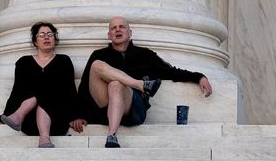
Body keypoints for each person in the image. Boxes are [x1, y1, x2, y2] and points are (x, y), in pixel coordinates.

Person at [73, 16, 213, 147]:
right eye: (113, 28)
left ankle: (112, 135)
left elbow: (172, 72)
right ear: (109, 35)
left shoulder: (145, 55)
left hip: (133, 109)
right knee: (97, 64)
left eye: (121, 27)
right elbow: (85, 86)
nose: (117, 30)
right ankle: (140, 85)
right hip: (103, 108)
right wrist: (78, 115)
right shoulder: (99, 54)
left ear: (130, 32)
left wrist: (199, 77)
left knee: (116, 84)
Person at [0, 22, 75, 148]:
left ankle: (20, 117)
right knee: (43, 88)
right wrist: (6, 114)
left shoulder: (63, 61)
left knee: (50, 90)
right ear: (35, 41)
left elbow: (70, 90)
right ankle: (22, 121)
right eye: (42, 35)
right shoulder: (24, 62)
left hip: (57, 119)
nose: (46, 37)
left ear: (55, 39)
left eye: (50, 34)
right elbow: (17, 90)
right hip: (30, 121)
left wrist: (76, 116)